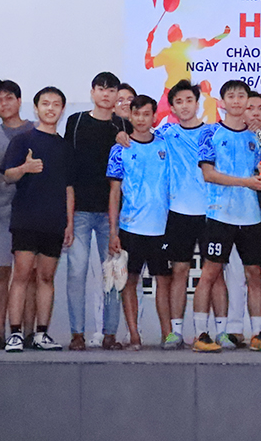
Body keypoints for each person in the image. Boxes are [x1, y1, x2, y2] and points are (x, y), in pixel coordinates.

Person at [193, 79, 261, 352]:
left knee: (255, 275)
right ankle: (201, 334)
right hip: (220, 215)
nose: (237, 101)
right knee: (210, 273)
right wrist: (246, 182)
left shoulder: (257, 138)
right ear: (223, 102)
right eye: (232, 96)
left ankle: (258, 334)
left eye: (242, 96)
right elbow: (209, 174)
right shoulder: (210, 133)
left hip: (251, 217)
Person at [152, 80, 227, 350]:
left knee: (215, 273)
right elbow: (139, 136)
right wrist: (121, 137)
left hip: (211, 213)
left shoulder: (213, 132)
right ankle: (175, 333)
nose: (184, 106)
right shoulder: (166, 133)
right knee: (179, 270)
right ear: (172, 107)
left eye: (189, 100)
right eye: (179, 102)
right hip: (179, 213)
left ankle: (221, 332)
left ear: (197, 103)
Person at [0, 87, 74, 352]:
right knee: (21, 275)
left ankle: (42, 334)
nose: (50, 108)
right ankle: (15, 334)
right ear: (36, 108)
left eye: (56, 104)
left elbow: (69, 187)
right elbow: (8, 175)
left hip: (54, 222)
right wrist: (25, 168)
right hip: (26, 218)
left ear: (62, 109)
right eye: (45, 103)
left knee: (46, 277)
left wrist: (69, 223)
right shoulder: (22, 140)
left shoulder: (65, 146)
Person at [65, 72, 132, 351]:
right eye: (101, 89)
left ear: (117, 94)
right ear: (92, 92)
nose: (106, 94)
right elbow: (67, 169)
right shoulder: (76, 121)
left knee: (113, 272)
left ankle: (110, 334)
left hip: (111, 213)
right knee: (76, 272)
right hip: (79, 210)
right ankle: (77, 334)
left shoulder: (124, 125)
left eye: (111, 90)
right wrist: (67, 216)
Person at [107, 95, 173, 350]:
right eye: (137, 114)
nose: (142, 119)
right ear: (130, 116)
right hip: (130, 227)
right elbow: (114, 193)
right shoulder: (119, 149)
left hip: (161, 227)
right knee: (129, 282)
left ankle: (168, 334)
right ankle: (134, 335)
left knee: (163, 282)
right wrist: (113, 232)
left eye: (147, 114)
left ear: (154, 117)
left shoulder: (166, 144)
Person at [0, 79, 37, 350]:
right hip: (0, 214)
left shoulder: (37, 130)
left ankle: (29, 333)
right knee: (1, 274)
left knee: (30, 276)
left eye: (9, 98)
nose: (4, 104)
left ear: (19, 100)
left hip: (32, 213)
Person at [223, 91, 261, 346]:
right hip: (232, 216)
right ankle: (234, 329)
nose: (256, 113)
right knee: (235, 276)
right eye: (250, 107)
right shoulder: (228, 138)